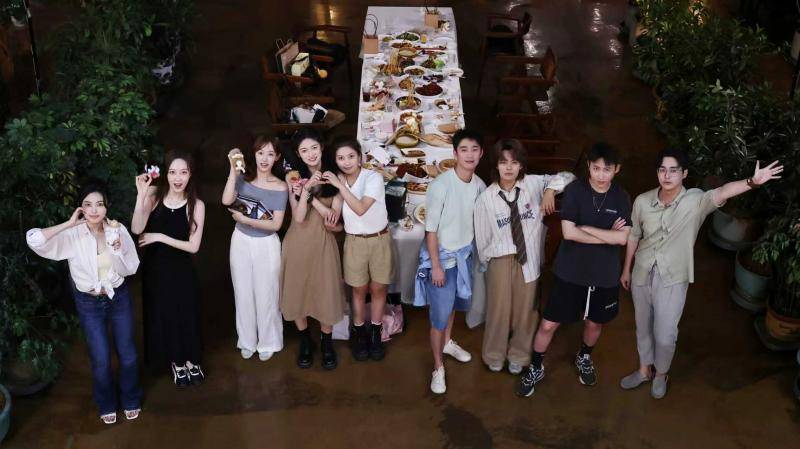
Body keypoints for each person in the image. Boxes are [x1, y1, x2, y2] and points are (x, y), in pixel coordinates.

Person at [620, 149, 783, 398]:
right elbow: (634, 236)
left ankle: (661, 374)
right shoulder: (643, 201)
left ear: (684, 173)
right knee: (643, 326)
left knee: (665, 334)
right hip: (642, 272)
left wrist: (752, 182)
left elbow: (723, 192)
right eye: (662, 170)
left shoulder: (695, 201)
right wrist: (626, 269)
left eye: (673, 170)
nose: (667, 176)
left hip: (673, 278)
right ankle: (644, 370)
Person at [518, 142, 631, 397]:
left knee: (594, 323)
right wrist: (607, 235)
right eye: (596, 168)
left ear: (617, 169)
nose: (600, 175)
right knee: (548, 325)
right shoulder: (575, 191)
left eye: (607, 169)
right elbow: (569, 233)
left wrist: (587, 229)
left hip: (604, 275)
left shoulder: (621, 197)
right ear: (588, 167)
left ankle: (584, 357)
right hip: (570, 271)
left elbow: (623, 238)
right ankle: (536, 367)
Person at [26, 184, 142, 424]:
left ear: (107, 207)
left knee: (128, 354)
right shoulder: (73, 234)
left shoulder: (117, 229)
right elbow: (34, 239)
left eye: (99, 204)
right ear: (80, 208)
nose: (94, 210)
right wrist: (69, 224)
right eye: (88, 205)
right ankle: (106, 404)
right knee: (101, 358)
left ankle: (131, 398)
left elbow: (130, 269)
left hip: (118, 296)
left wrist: (118, 251)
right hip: (89, 302)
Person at [474, 139, 575, 375]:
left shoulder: (534, 184)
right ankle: (494, 354)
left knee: (526, 310)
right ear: (496, 165)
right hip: (500, 258)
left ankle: (519, 354)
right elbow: (482, 239)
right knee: (498, 309)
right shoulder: (486, 199)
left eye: (514, 162)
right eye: (503, 162)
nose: (509, 168)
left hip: (528, 258)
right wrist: (489, 262)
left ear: (521, 165)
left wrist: (550, 190)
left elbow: (569, 176)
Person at [415, 128, 486, 394]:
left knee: (454, 305)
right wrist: (435, 266)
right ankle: (438, 367)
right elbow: (430, 230)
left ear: (481, 153)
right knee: (438, 317)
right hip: (443, 259)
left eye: (474, 149)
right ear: (454, 153)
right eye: (464, 150)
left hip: (463, 257)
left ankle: (447, 343)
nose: (469, 155)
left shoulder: (479, 186)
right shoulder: (441, 186)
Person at [132, 150, 206, 388]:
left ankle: (192, 359)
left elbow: (193, 246)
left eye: (183, 172)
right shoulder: (154, 195)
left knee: (186, 313)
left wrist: (159, 236)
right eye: (173, 172)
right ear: (166, 174)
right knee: (165, 314)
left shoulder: (197, 204)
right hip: (156, 269)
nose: (178, 178)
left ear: (190, 175)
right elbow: (137, 228)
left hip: (181, 267)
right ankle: (176, 361)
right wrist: (141, 195)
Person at [322, 137, 394, 362]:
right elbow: (336, 216)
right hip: (354, 242)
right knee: (358, 290)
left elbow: (361, 208)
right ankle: (359, 331)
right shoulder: (339, 183)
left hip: (379, 239)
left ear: (360, 157)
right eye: (340, 158)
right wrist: (332, 223)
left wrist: (339, 186)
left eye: (351, 156)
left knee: (378, 289)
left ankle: (376, 331)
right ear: (335, 160)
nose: (346, 162)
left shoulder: (373, 178)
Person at [280, 128, 346, 370]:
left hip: (323, 242)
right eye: (304, 150)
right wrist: (306, 188)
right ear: (298, 154)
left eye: (314, 148)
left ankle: (327, 342)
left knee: (325, 292)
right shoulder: (294, 178)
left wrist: (311, 197)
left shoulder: (335, 177)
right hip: (297, 243)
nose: (310, 154)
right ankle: (305, 340)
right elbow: (298, 218)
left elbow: (332, 218)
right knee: (298, 291)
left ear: (322, 148)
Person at [221, 135, 288, 362]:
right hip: (240, 240)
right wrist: (233, 171)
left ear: (277, 157)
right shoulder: (243, 177)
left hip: (266, 244)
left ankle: (269, 341)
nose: (264, 159)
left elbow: (276, 224)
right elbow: (226, 200)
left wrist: (245, 219)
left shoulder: (280, 187)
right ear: (254, 154)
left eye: (270, 154)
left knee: (267, 293)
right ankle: (247, 340)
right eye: (260, 153)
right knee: (242, 292)